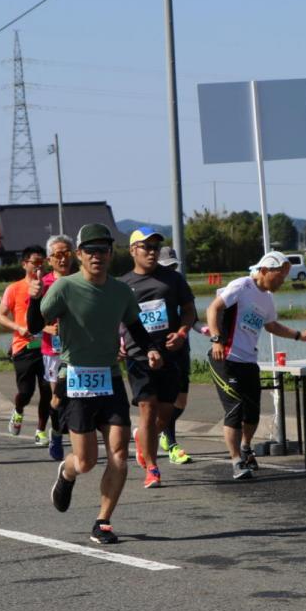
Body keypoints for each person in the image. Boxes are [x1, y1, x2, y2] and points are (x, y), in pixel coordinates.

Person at [43, 223, 164, 545]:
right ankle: (66, 473)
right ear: (80, 255)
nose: (98, 256)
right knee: (85, 461)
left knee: (119, 454)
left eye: (104, 250)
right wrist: (33, 300)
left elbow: (135, 327)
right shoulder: (65, 288)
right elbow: (35, 321)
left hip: (109, 378)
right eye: (91, 251)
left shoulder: (121, 291)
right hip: (77, 378)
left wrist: (151, 349)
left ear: (111, 254)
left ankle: (103, 521)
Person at [207, 251, 306, 480]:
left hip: (248, 360)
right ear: (266, 270)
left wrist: (300, 335)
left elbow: (272, 326)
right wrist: (217, 339)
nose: (282, 282)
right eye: (279, 276)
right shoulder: (242, 286)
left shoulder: (267, 299)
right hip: (225, 358)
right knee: (235, 408)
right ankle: (236, 460)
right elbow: (213, 308)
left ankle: (246, 447)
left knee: (252, 413)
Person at [120, 227, 197, 489]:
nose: (152, 252)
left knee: (164, 415)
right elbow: (114, 319)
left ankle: (143, 439)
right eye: (146, 247)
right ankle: (152, 468)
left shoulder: (172, 279)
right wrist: (117, 341)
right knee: (148, 408)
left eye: (155, 247)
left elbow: (189, 310)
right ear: (133, 251)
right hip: (138, 355)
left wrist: (183, 332)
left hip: (170, 354)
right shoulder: (122, 284)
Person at [0, 245, 52, 446]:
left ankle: (41, 430)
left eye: (42, 261)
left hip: (47, 346)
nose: (39, 266)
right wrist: (18, 327)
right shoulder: (15, 288)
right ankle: (18, 410)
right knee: (26, 392)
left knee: (47, 390)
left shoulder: (50, 285)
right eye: (35, 262)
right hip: (23, 346)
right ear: (24, 264)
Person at [155, 245, 194, 465]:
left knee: (181, 400)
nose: (170, 269)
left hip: (182, 347)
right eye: (166, 266)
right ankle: (171, 444)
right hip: (161, 350)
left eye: (173, 265)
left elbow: (190, 313)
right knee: (166, 400)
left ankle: (161, 431)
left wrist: (202, 329)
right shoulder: (153, 285)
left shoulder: (179, 282)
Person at [41, 234, 76, 462]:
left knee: (78, 396)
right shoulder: (43, 284)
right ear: (49, 259)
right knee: (58, 397)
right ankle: (55, 434)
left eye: (67, 254)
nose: (63, 259)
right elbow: (32, 320)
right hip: (53, 350)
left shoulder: (82, 279)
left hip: (79, 349)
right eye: (58, 255)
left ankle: (78, 437)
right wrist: (47, 328)